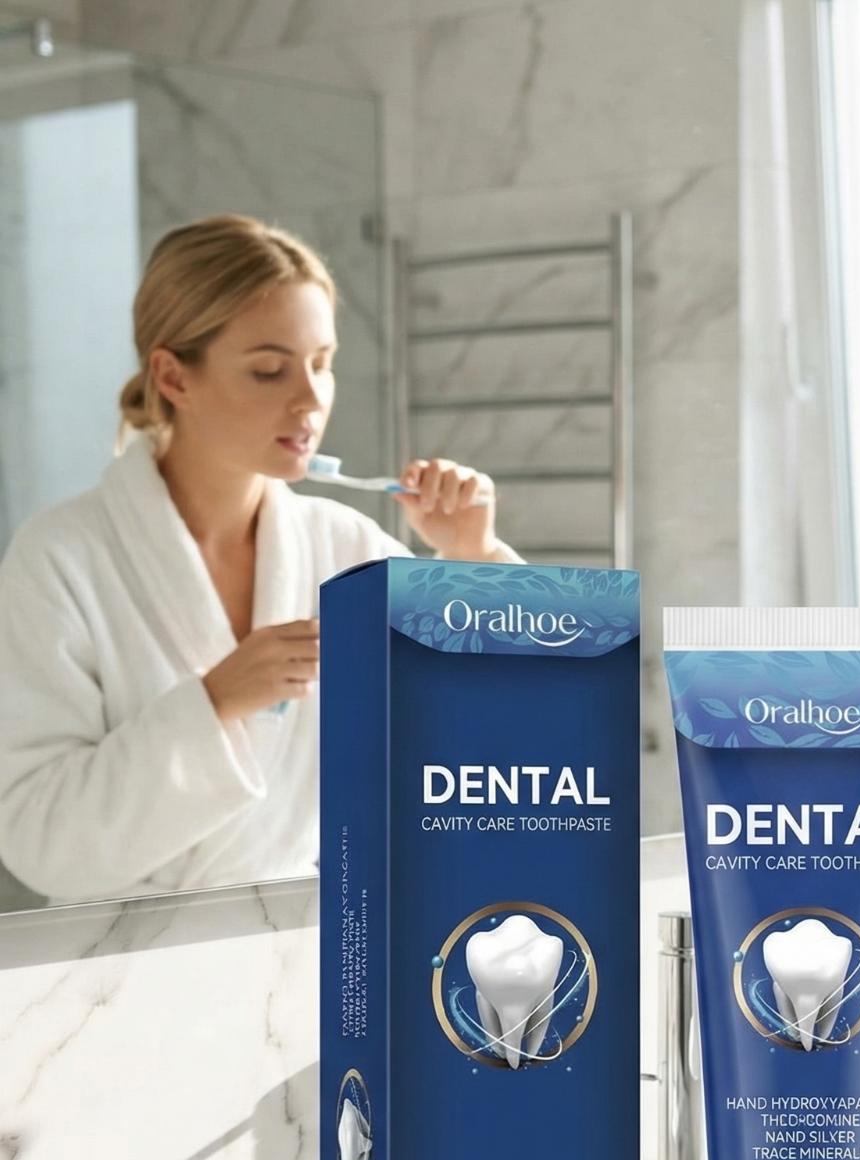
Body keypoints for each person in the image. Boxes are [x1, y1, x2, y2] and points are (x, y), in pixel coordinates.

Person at [0, 214, 518, 903]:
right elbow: (37, 841)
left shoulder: (347, 549)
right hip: (118, 958)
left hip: (297, 947)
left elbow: (510, 747)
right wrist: (215, 702)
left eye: (322, 364)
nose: (310, 399)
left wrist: (472, 556)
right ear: (173, 377)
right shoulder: (61, 559)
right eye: (270, 370)